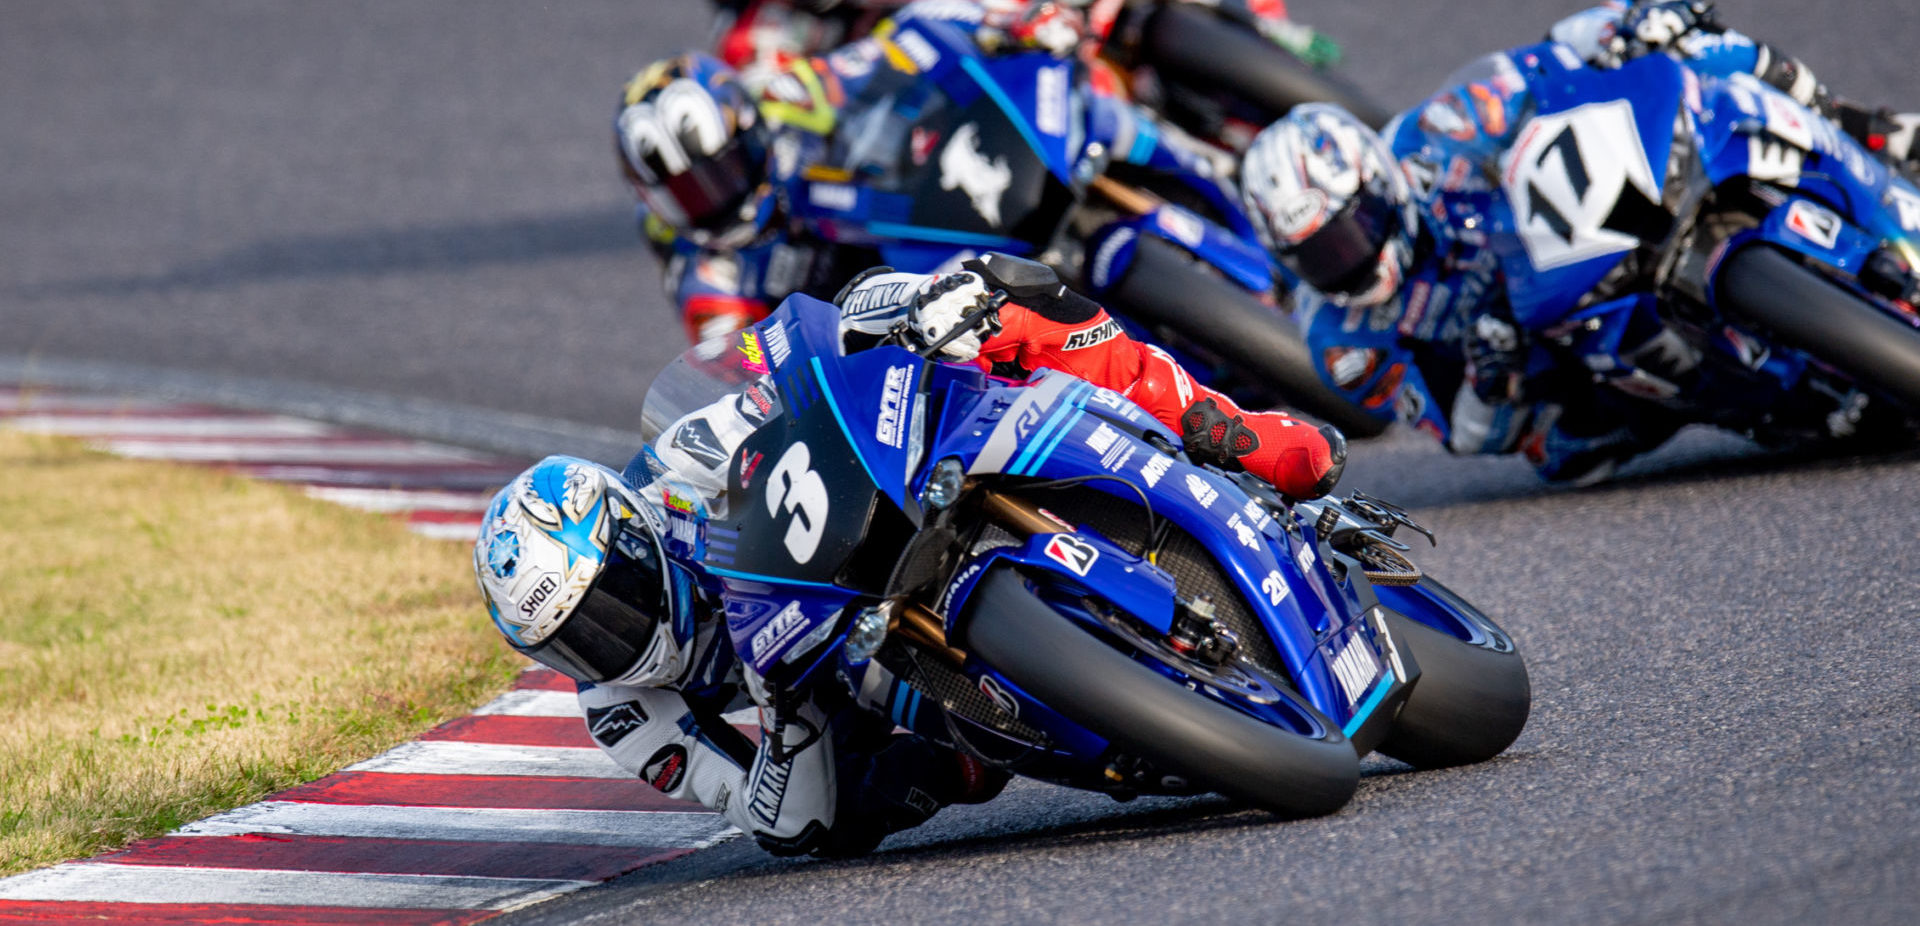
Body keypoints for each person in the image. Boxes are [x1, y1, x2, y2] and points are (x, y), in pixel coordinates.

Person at [473, 252, 1346, 858]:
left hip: (868, 505)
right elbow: (768, 818)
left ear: (628, 536)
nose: (610, 641)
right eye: (576, 642)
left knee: (999, 303)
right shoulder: (624, 715)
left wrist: (899, 310)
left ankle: (1236, 433)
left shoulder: (675, 464)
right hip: (826, 677)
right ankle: (1078, 732)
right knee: (859, 810)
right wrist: (786, 721)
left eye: (610, 600)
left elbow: (782, 352)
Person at [1237, 1, 1920, 483]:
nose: (1349, 258)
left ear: (1379, 183)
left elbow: (1544, 63)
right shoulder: (1342, 340)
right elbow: (1467, 435)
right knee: (1564, 452)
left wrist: (1624, 26)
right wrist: (1489, 372)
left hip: (1577, 232)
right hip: (1545, 358)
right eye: (1321, 254)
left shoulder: (1437, 134)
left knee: (1701, 53)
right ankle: (1757, 398)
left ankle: (1860, 128)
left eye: (1351, 229)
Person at [615, 0, 1239, 344]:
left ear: (746, 131)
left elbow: (891, 47)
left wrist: (1000, 22)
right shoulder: (702, 269)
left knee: (1091, 86)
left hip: (929, 211)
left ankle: (1212, 159)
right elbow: (729, 361)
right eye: (688, 194)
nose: (712, 200)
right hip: (885, 321)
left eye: (717, 173)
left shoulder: (790, 110)